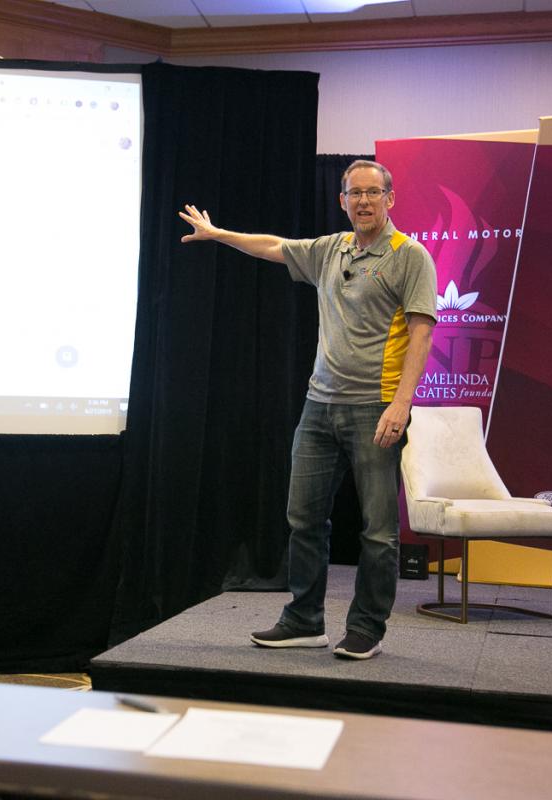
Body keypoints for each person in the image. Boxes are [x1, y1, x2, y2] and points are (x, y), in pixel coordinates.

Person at [178, 160, 437, 660]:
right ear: (342, 200)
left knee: (379, 531)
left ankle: (366, 628)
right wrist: (218, 234)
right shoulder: (331, 249)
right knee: (304, 519)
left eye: (373, 193)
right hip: (319, 407)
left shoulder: (410, 256)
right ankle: (304, 620)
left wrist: (401, 405)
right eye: (354, 193)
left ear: (390, 199)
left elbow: (422, 333)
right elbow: (274, 246)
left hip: (375, 407)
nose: (364, 201)